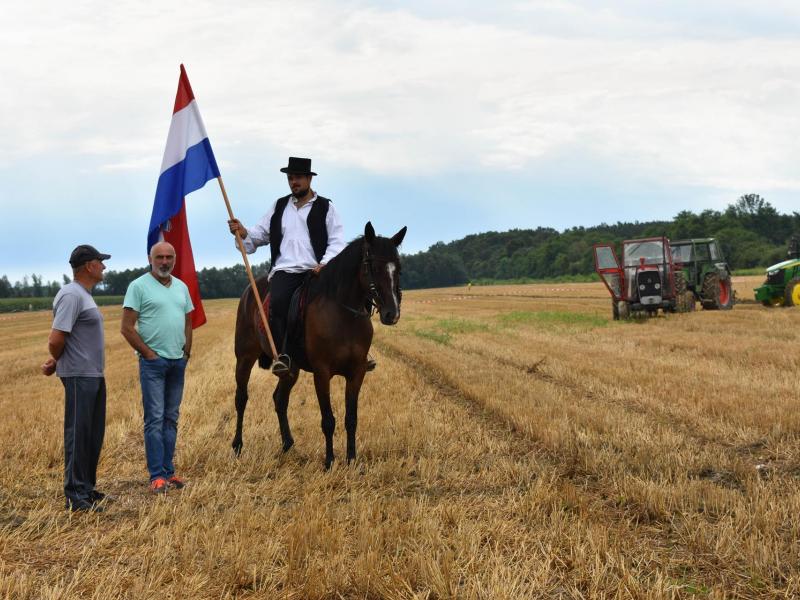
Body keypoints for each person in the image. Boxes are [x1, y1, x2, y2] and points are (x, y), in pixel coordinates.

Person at [227, 156, 353, 374]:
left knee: (346, 297)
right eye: (290, 178)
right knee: (279, 301)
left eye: (298, 178)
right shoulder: (279, 206)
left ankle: (356, 350)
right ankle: (282, 355)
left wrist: (325, 264)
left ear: (309, 179)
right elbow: (259, 234)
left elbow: (337, 240)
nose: (294, 182)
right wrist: (243, 231)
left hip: (318, 269)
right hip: (286, 270)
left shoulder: (326, 207)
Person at [42, 244, 111, 512]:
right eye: (100, 262)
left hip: (92, 373)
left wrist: (57, 358)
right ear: (89, 266)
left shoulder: (83, 295)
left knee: (92, 434)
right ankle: (74, 494)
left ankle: (86, 489)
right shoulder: (71, 295)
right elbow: (56, 337)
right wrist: (57, 359)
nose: (104, 266)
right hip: (79, 375)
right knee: (78, 433)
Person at [120, 241, 193, 494]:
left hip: (177, 362)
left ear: (174, 259)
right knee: (155, 419)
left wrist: (186, 353)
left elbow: (187, 321)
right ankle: (157, 476)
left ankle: (169, 472)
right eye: (159, 257)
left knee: (171, 419)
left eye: (169, 257)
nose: (164, 261)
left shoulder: (182, 287)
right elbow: (126, 327)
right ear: (150, 258)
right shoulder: (138, 286)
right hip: (154, 364)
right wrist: (148, 354)